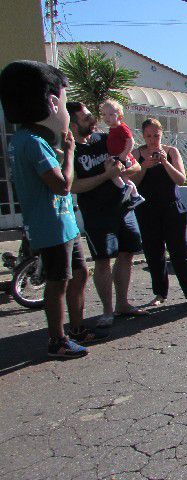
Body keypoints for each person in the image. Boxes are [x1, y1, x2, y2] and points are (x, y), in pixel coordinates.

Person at [0, 61, 107, 357]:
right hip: (50, 225)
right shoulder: (32, 141)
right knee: (58, 283)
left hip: (63, 222)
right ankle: (57, 340)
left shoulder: (36, 140)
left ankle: (77, 328)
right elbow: (62, 185)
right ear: (50, 102)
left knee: (79, 273)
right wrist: (71, 153)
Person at [68, 101, 147, 327]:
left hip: (123, 209)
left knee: (127, 255)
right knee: (102, 261)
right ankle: (107, 311)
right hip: (97, 214)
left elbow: (136, 167)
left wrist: (120, 169)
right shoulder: (72, 150)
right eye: (85, 118)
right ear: (73, 125)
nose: (93, 120)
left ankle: (123, 303)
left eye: (91, 116)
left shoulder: (107, 139)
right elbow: (74, 185)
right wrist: (105, 176)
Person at [131, 119, 187, 305]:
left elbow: (181, 179)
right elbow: (133, 183)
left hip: (172, 208)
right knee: (154, 253)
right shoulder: (136, 153)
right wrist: (144, 166)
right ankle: (160, 293)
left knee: (179, 252)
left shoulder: (172, 151)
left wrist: (165, 163)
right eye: (148, 136)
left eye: (156, 135)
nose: (152, 140)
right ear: (143, 136)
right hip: (147, 210)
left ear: (161, 134)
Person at [99, 99, 144, 209]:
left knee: (115, 175)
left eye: (111, 114)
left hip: (122, 157)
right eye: (104, 114)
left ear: (119, 115)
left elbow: (130, 141)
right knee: (124, 178)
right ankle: (135, 195)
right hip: (117, 156)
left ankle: (125, 189)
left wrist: (124, 154)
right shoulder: (113, 129)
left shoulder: (121, 127)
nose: (106, 117)